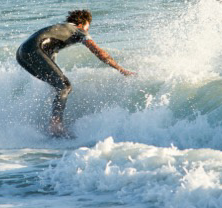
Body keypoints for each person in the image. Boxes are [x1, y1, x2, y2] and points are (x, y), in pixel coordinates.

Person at [16, 10, 134, 138]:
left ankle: (46, 124)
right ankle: (55, 125)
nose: (88, 31)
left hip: (21, 54)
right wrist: (121, 69)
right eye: (88, 27)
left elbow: (50, 57)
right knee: (65, 86)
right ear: (82, 24)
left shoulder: (59, 31)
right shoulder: (78, 30)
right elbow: (98, 51)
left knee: (58, 86)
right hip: (33, 50)